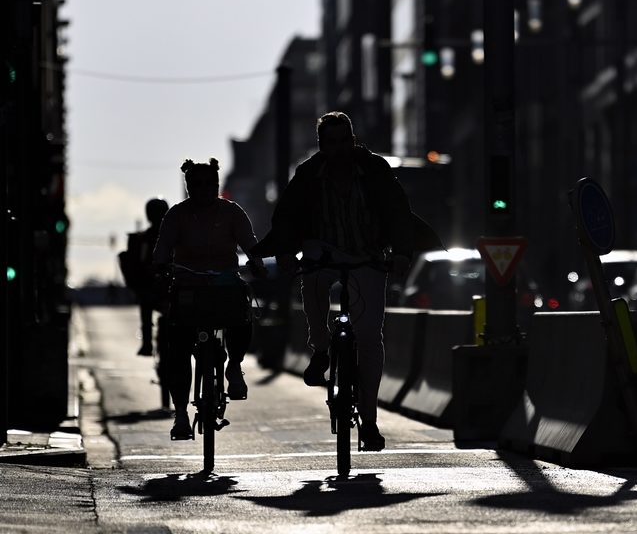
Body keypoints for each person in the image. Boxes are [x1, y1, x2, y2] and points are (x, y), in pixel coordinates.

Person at [251, 111, 442, 452]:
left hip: (367, 254)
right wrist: (282, 252)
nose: (339, 149)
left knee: (370, 338)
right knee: (310, 282)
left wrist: (400, 253)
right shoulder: (308, 174)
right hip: (322, 254)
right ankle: (321, 349)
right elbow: (287, 217)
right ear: (321, 145)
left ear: (352, 141)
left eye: (345, 141)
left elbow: (398, 211)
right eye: (331, 143)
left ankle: (369, 421)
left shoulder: (374, 170)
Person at [153, 158, 267, 440]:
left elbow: (250, 242)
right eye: (197, 184)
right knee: (177, 349)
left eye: (210, 184)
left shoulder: (232, 212)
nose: (204, 189)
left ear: (217, 186)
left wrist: (257, 262)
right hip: (187, 287)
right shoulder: (176, 216)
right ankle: (181, 415)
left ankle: (235, 366)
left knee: (242, 313)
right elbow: (163, 249)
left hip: (224, 284)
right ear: (188, 186)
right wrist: (159, 267)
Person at [118, 198, 169, 356]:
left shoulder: (144, 238)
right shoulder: (145, 239)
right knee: (146, 303)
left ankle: (147, 343)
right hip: (155, 285)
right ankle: (147, 342)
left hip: (166, 285)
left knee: (146, 305)